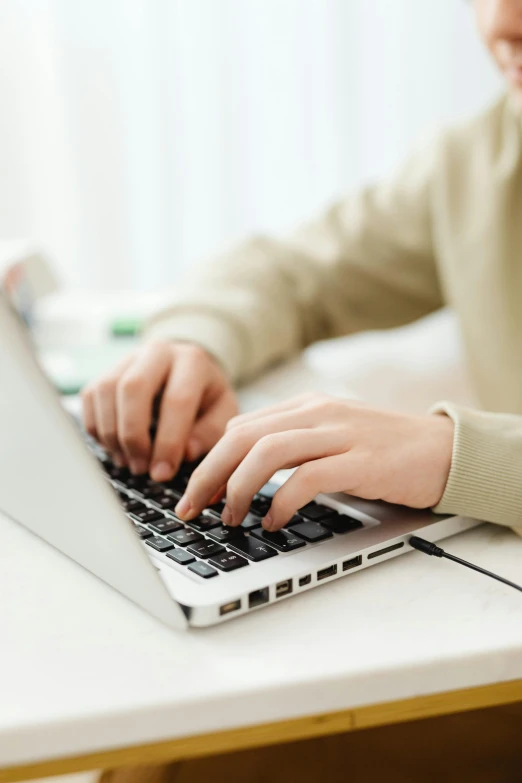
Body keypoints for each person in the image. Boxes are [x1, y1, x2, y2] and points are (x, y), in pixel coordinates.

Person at [83, 0, 522, 540]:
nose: (500, 24)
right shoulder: (477, 156)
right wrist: (193, 343)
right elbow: (293, 274)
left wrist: (461, 457)